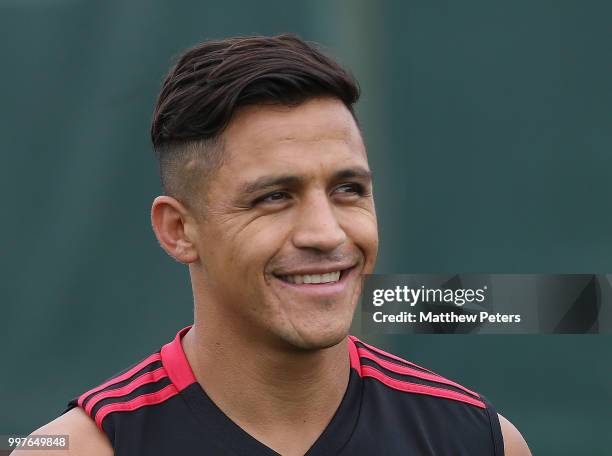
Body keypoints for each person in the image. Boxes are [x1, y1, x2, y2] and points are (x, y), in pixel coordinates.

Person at [17, 34, 531, 456]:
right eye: (274, 197)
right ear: (178, 230)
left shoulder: (476, 441)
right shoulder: (78, 450)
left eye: (347, 190)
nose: (326, 233)